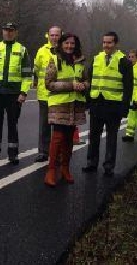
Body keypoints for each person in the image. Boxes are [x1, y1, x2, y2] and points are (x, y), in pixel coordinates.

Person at [83, 31, 133, 176]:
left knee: (111, 137)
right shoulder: (96, 59)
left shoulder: (124, 61)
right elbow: (90, 81)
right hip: (97, 104)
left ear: (115, 43)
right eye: (104, 42)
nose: (106, 45)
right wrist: (88, 101)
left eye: (109, 42)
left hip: (113, 106)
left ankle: (108, 166)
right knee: (93, 136)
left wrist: (125, 108)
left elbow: (128, 87)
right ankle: (91, 163)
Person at [0, 22, 33, 164]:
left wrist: (24, 92)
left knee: (13, 124)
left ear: (15, 32)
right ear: (2, 32)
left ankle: (13, 153)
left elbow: (27, 74)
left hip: (14, 94)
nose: (8, 33)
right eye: (6, 30)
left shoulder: (22, 50)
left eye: (11, 30)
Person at [43, 33, 89, 186]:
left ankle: (65, 169)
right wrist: (70, 86)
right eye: (66, 43)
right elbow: (48, 84)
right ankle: (51, 171)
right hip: (59, 105)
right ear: (61, 44)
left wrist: (84, 86)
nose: (69, 46)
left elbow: (87, 81)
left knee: (69, 139)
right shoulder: (54, 60)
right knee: (57, 138)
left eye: (72, 43)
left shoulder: (81, 62)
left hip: (75, 105)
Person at [33, 26, 62, 162]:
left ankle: (57, 153)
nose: (54, 37)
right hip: (44, 95)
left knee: (59, 127)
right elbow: (36, 69)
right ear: (48, 36)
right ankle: (43, 152)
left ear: (60, 36)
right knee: (44, 126)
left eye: (57, 35)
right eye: (52, 35)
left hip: (60, 95)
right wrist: (35, 83)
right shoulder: (41, 51)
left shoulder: (65, 51)